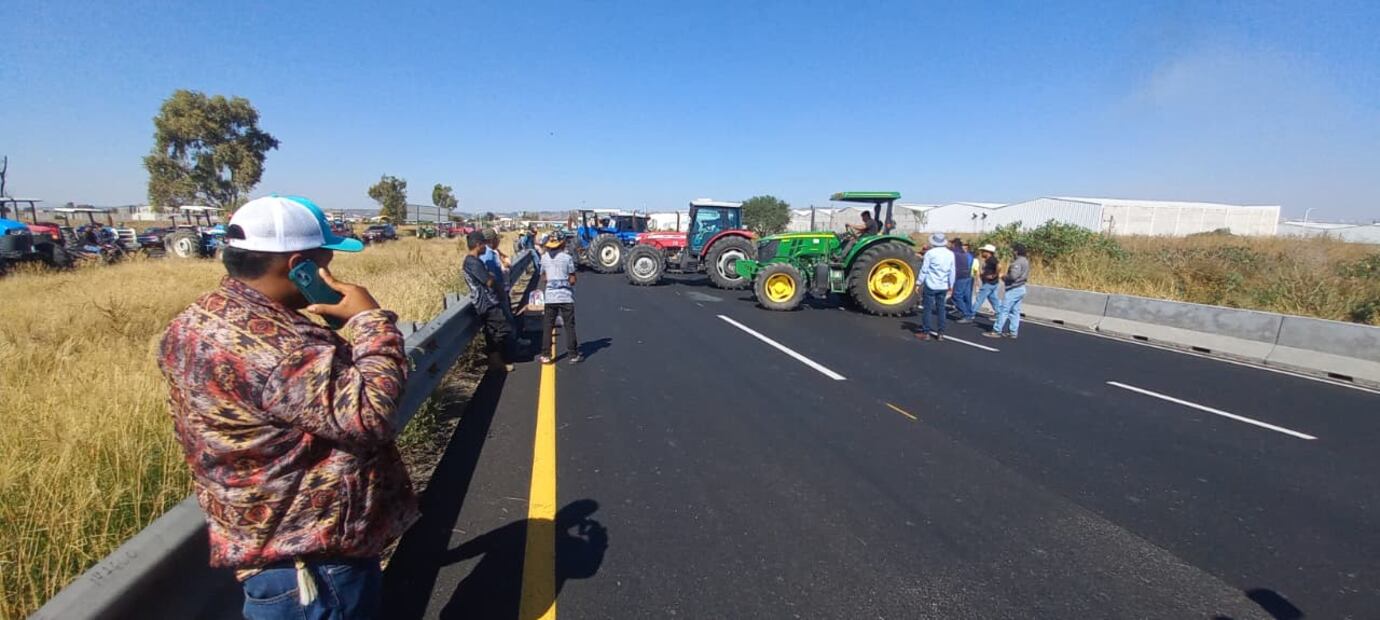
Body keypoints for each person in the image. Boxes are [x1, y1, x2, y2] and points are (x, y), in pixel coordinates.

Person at [157, 195, 416, 619]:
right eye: (325, 260)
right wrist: (371, 322)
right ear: (299, 265)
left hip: (267, 549)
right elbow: (371, 415)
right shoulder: (282, 349)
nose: (331, 272)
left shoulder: (196, 321)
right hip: (314, 564)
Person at [464, 230, 515, 371]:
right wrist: (498, 289)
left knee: (495, 331)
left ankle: (497, 361)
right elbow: (489, 281)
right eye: (483, 245)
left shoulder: (475, 261)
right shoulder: (472, 262)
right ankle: (496, 361)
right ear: (478, 244)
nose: (485, 248)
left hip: (489, 302)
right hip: (486, 303)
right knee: (500, 331)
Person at [539, 231, 581, 364]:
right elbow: (572, 278)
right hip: (565, 297)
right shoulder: (567, 258)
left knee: (548, 326)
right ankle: (573, 354)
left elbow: (543, 277)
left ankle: (546, 355)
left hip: (550, 297)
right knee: (569, 326)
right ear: (562, 243)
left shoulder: (544, 258)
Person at [986, 243, 1030, 339]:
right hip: (1021, 287)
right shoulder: (1026, 261)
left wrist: (1004, 277)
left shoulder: (1017, 263)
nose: (1012, 252)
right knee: (1015, 311)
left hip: (1014, 289)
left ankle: (997, 330)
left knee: (1004, 310)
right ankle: (1013, 332)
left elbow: (1013, 276)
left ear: (1016, 251)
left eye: (1013, 250)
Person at [916, 232, 955, 341]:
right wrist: (951, 284)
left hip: (931, 283)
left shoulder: (930, 253)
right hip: (943, 285)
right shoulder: (950, 254)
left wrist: (918, 282)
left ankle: (926, 332)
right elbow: (952, 271)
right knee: (941, 308)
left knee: (927, 309)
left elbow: (924, 270)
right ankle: (941, 332)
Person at [971, 243, 1001, 319]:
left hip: (989, 283)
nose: (982, 253)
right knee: (993, 298)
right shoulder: (988, 260)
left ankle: (971, 314)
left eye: (983, 251)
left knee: (979, 299)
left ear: (988, 252)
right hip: (992, 283)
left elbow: (999, 266)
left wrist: (994, 275)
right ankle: (999, 313)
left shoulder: (992, 260)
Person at [950, 238, 975, 323]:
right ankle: (970, 313)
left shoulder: (954, 253)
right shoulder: (964, 253)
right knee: (966, 296)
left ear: (954, 244)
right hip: (967, 276)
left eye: (951, 243)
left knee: (956, 296)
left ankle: (966, 314)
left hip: (960, 276)